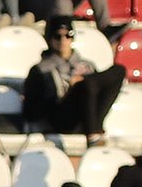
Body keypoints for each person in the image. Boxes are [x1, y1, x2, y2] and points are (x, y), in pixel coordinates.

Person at [23, 16, 128, 144]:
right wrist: (69, 90)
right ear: (49, 38)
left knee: (119, 70)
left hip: (87, 115)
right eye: (57, 36)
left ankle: (94, 128)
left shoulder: (87, 65)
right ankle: (93, 134)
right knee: (85, 85)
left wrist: (81, 82)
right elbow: (31, 111)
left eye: (68, 35)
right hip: (61, 116)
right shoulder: (40, 70)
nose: (63, 40)